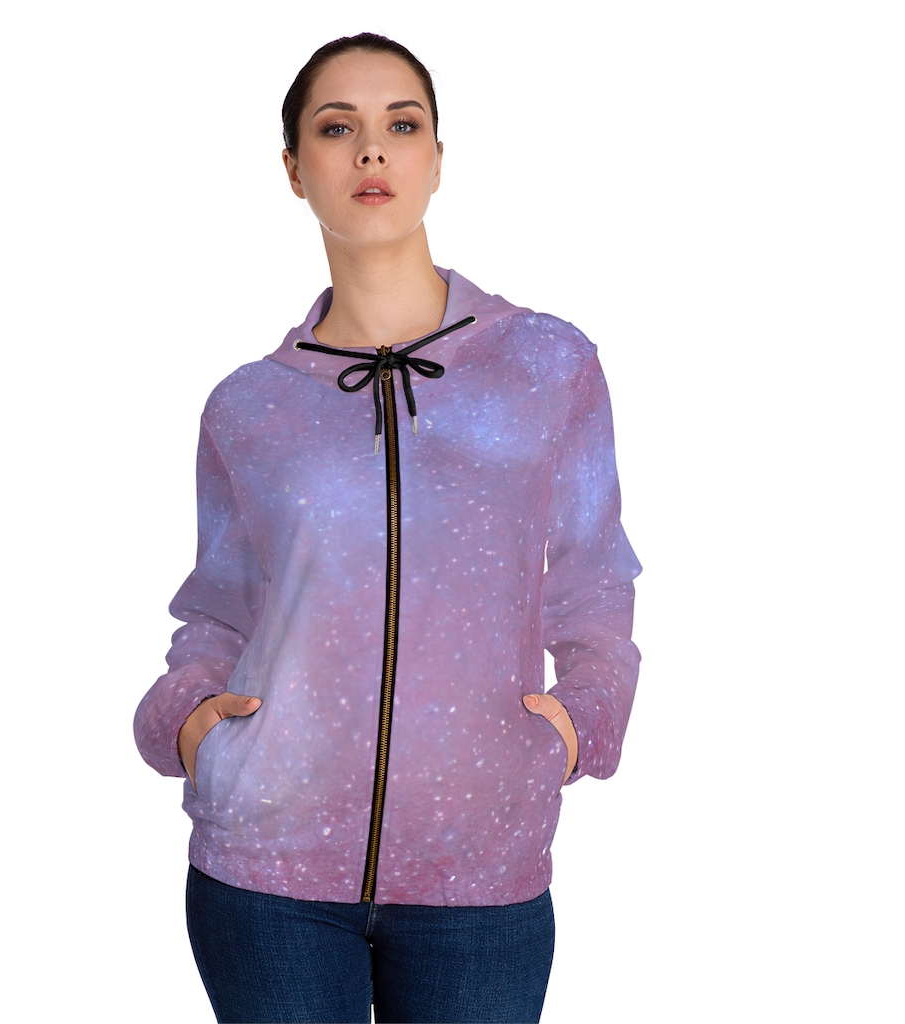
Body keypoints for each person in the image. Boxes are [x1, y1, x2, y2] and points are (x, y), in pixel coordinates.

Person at [133, 31, 642, 1024]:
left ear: (436, 159)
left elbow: (593, 579)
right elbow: (219, 612)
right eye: (337, 128)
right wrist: (187, 717)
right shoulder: (250, 405)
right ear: (295, 169)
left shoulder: (546, 365)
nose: (372, 150)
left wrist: (584, 719)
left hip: (480, 871)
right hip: (264, 873)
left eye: (401, 125)